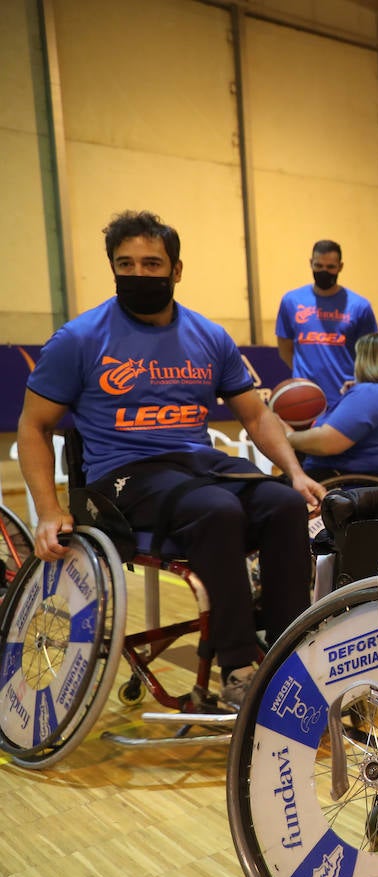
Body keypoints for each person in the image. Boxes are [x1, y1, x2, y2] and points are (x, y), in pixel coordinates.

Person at [17, 210, 325, 709]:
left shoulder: (209, 336)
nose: (139, 274)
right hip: (122, 477)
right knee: (217, 511)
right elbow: (34, 425)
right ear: (113, 268)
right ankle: (240, 667)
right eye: (126, 264)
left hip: (196, 464)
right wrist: (50, 510)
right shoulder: (79, 339)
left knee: (282, 504)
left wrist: (295, 473)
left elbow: (255, 414)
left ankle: (289, 652)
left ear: (176, 270)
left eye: (152, 264)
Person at [284, 333, 378, 482]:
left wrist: (288, 436)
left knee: (264, 493)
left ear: (363, 360)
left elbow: (326, 443)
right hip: (372, 482)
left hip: (337, 481)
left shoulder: (369, 393)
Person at [276, 239, 378, 409]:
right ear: (311, 263)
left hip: (346, 398)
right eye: (319, 266)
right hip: (305, 398)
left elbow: (370, 355)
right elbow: (285, 348)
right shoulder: (291, 301)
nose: (324, 271)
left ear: (340, 267)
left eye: (330, 267)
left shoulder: (359, 306)